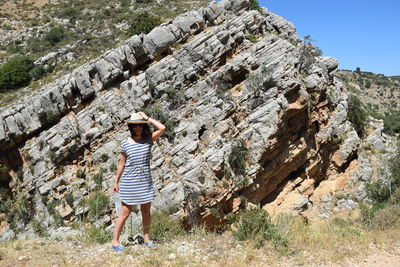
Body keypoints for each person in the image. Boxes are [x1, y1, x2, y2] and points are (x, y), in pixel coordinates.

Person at [111, 111, 166, 251]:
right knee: (124, 213)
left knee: (146, 212)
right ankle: (115, 242)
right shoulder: (125, 143)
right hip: (129, 182)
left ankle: (147, 239)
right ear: (131, 127)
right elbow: (121, 164)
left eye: (140, 125)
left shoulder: (148, 139)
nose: (137, 128)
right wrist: (116, 182)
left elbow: (162, 128)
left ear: (143, 126)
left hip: (145, 181)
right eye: (135, 126)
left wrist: (147, 118)